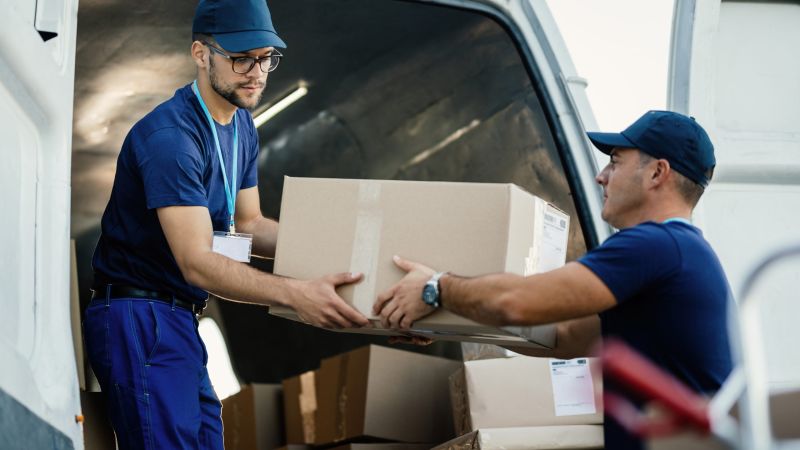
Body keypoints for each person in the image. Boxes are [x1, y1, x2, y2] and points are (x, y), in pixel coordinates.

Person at [83, 1, 368, 448]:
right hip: (140, 316)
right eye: (241, 59)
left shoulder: (241, 127)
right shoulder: (170, 140)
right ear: (201, 54)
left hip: (179, 317)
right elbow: (197, 261)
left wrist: (346, 254)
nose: (256, 72)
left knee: (207, 439)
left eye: (266, 58)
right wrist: (298, 294)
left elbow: (250, 224)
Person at [373, 110, 733, 449]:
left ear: (657, 173)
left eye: (615, 161)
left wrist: (435, 288)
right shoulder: (681, 253)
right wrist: (446, 323)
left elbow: (516, 303)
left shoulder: (655, 246)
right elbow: (560, 338)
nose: (601, 176)